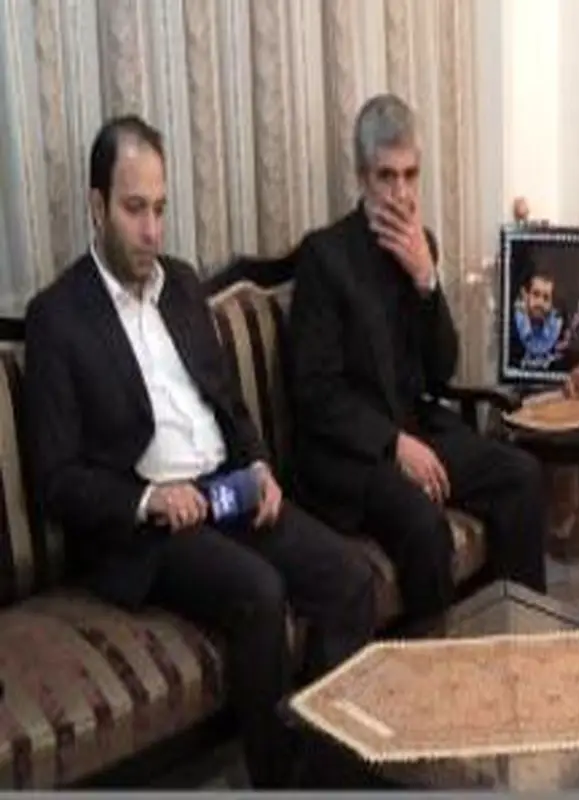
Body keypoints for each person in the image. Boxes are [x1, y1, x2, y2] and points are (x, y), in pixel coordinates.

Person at [22, 115, 377, 789]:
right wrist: (149, 499)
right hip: (153, 530)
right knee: (260, 592)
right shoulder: (58, 318)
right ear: (97, 206)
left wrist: (259, 464)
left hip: (228, 492)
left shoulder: (182, 286)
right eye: (134, 209)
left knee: (349, 578)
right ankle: (280, 782)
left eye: (160, 209)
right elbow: (57, 480)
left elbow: (230, 404)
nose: (152, 230)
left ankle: (327, 771)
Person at [287, 93, 548, 621]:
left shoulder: (420, 243)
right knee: (424, 523)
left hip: (414, 426)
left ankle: (518, 637)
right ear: (362, 177)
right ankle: (436, 661)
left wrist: (427, 281)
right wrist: (394, 444)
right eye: (386, 176)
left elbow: (442, 368)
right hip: (352, 455)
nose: (401, 193)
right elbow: (316, 393)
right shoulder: (325, 256)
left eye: (410, 175)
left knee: (521, 475)